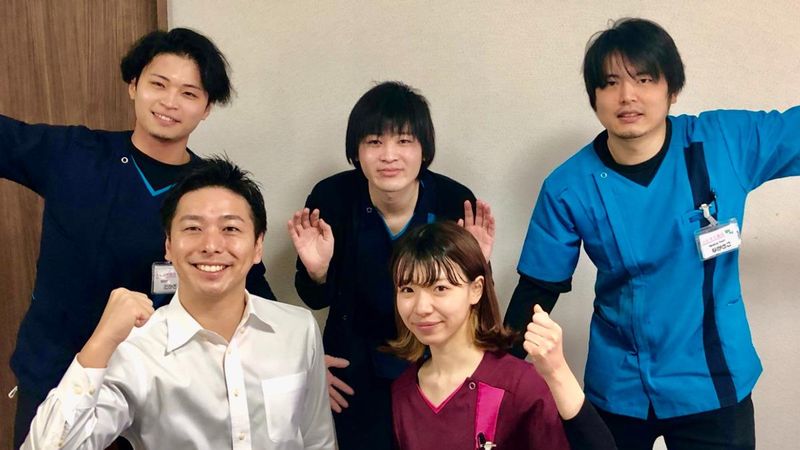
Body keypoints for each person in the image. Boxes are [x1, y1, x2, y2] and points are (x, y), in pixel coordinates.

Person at [506, 17, 800, 449]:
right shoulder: (568, 186)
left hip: (713, 381)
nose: (628, 96)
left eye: (644, 79)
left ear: (672, 88)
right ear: (594, 96)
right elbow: (537, 288)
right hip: (620, 385)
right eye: (610, 83)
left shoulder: (723, 143)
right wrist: (490, 371)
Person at [1, 28, 275, 448]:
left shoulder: (210, 191)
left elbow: (247, 281)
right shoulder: (73, 153)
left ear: (206, 108)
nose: (170, 102)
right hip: (56, 373)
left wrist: (291, 357)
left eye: (189, 93)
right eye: (158, 84)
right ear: (133, 85)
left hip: (163, 387)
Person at [22, 157, 334, 449]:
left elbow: (317, 439)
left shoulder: (297, 329)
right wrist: (100, 342)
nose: (211, 245)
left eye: (230, 228)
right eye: (193, 228)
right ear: (169, 246)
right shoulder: (136, 348)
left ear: (257, 246)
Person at [287, 81, 494, 449]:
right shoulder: (333, 197)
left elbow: (475, 307)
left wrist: (475, 268)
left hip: (436, 366)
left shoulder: (453, 201)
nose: (388, 155)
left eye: (403, 141)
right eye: (374, 142)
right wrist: (318, 272)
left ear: (424, 149)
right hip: (353, 370)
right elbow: (316, 299)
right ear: (356, 150)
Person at [388, 222, 615, 449]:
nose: (421, 307)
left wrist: (558, 371)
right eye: (407, 290)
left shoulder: (522, 386)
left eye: (440, 288)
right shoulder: (402, 391)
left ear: (476, 289)